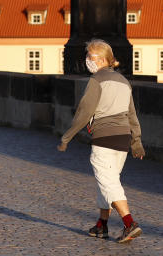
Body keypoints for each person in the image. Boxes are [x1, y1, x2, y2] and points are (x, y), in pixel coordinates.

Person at [57, 39, 145, 243]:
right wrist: (136, 141)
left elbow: (84, 112)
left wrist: (66, 137)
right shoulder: (124, 81)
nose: (87, 60)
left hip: (104, 137)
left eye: (90, 57)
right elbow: (132, 114)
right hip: (123, 138)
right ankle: (101, 225)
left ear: (103, 59)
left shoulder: (96, 80)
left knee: (109, 182)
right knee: (106, 181)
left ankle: (129, 223)